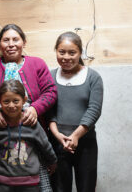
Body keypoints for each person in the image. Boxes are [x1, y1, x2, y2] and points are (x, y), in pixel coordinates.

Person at [0, 80, 57, 192]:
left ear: (24, 100)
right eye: (6, 101)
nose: (11, 105)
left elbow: (45, 145)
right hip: (1, 183)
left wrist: (52, 162)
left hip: (31, 184)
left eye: (16, 101)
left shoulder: (31, 123)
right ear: (0, 102)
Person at [0, 23, 57, 134]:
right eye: (6, 40)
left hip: (31, 128)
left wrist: (35, 109)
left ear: (24, 43)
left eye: (16, 39)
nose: (11, 44)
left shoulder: (38, 64)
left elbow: (50, 92)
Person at [48, 32, 103, 192]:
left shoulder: (93, 77)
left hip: (85, 144)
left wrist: (76, 136)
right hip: (57, 143)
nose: (66, 57)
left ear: (80, 53)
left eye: (72, 52)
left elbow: (94, 110)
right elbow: (49, 111)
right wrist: (58, 136)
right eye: (61, 52)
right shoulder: (50, 76)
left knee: (86, 187)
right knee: (59, 188)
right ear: (56, 51)